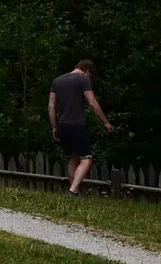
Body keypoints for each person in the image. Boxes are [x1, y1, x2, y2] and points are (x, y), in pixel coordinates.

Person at [48, 59, 113, 195]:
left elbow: (51, 105)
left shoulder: (57, 81)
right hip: (77, 124)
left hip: (62, 124)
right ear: (87, 70)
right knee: (86, 158)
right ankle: (72, 190)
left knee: (74, 157)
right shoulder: (83, 79)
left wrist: (54, 126)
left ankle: (75, 191)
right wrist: (105, 122)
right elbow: (92, 102)